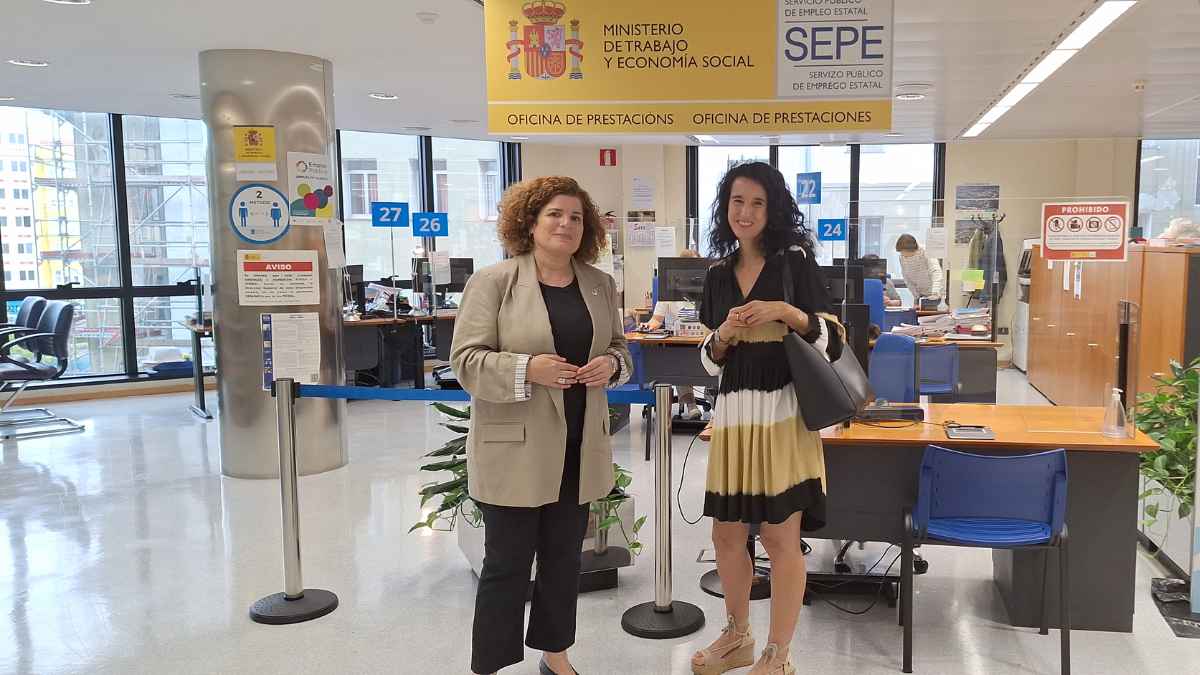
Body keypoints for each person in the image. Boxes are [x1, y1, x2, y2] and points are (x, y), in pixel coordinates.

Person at [451, 176, 632, 675]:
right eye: (555, 214)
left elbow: (621, 349)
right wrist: (527, 368)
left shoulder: (600, 284)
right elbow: (465, 362)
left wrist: (612, 366)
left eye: (576, 217)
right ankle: (491, 665)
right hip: (515, 448)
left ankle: (556, 656)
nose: (566, 224)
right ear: (530, 222)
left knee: (562, 562)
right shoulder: (494, 281)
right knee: (506, 566)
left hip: (579, 446)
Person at [691, 162, 842, 675]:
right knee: (726, 534)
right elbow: (709, 362)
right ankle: (737, 636)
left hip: (783, 413)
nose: (746, 212)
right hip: (735, 414)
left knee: (780, 536)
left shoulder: (794, 261)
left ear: (773, 208)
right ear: (725, 207)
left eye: (757, 202)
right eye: (737, 201)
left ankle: (778, 655)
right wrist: (726, 334)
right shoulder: (716, 275)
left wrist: (787, 311)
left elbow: (835, 339)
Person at [639, 249, 703, 419]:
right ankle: (691, 405)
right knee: (678, 362)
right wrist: (648, 326)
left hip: (704, 342)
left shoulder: (709, 291)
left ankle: (713, 399)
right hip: (679, 344)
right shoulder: (669, 293)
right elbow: (656, 320)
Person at [894, 234, 943, 302]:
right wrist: (916, 296)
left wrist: (935, 292)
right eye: (901, 252)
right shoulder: (901, 257)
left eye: (904, 252)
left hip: (933, 293)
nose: (903, 255)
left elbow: (936, 271)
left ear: (911, 249)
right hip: (920, 295)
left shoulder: (925, 251)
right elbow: (906, 278)